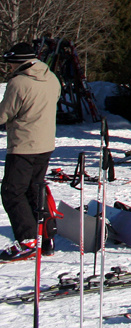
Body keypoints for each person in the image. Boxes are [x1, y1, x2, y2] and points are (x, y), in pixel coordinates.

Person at [0, 42, 61, 259]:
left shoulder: (19, 83)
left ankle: (27, 240)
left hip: (24, 145)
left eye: (11, 63)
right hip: (45, 144)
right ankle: (47, 236)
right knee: (35, 190)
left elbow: (4, 113)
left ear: (19, 63)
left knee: (12, 191)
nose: (9, 68)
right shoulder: (51, 78)